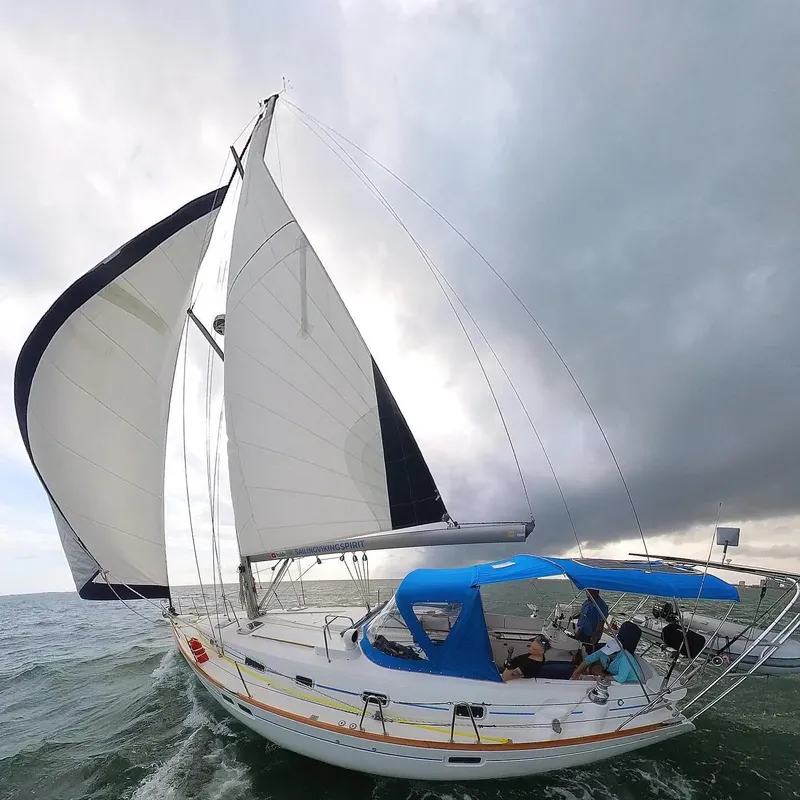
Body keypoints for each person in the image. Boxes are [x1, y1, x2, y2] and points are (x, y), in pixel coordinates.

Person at [570, 621, 643, 684]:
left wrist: (598, 678)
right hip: (614, 675)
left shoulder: (626, 658)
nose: (607, 654)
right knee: (593, 669)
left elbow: (621, 678)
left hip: (630, 683)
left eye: (611, 653)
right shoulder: (604, 651)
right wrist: (576, 673)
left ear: (618, 652)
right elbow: (588, 660)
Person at [574, 588, 608, 654]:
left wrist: (595, 636)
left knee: (586, 652)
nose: (586, 592)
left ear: (596, 591)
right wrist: (573, 616)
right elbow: (582, 613)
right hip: (581, 630)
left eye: (589, 590)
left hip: (590, 635)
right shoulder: (587, 601)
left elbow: (601, 623)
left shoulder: (601, 605)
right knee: (577, 648)